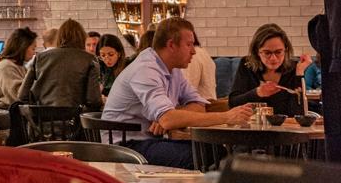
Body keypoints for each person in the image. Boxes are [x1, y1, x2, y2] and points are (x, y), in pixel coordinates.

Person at [102, 17, 252, 167]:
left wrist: (169, 116)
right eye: (189, 45)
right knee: (207, 153)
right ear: (171, 45)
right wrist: (226, 117)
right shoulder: (145, 70)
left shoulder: (173, 70)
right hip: (124, 146)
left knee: (213, 149)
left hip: (148, 140)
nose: (193, 51)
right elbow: (168, 119)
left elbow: (200, 106)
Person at [228, 24, 313, 118]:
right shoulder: (247, 65)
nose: (273, 58)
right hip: (253, 125)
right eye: (267, 53)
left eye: (278, 52)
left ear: (286, 50)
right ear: (257, 52)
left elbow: (299, 113)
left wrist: (299, 74)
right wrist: (258, 93)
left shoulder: (294, 67)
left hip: (286, 126)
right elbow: (233, 103)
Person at [18, 18, 103, 111]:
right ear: (82, 38)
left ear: (59, 37)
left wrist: (38, 107)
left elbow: (22, 95)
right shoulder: (89, 59)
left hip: (43, 118)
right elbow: (94, 100)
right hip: (75, 117)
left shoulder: (40, 57)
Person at [0, 28, 38, 105]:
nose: (34, 53)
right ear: (23, 47)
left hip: (6, 110)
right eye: (33, 48)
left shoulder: (19, 66)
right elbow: (18, 97)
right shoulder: (7, 67)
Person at [180, 18, 216, 101]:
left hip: (201, 105)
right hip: (207, 103)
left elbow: (187, 91)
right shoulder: (202, 52)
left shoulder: (193, 56)